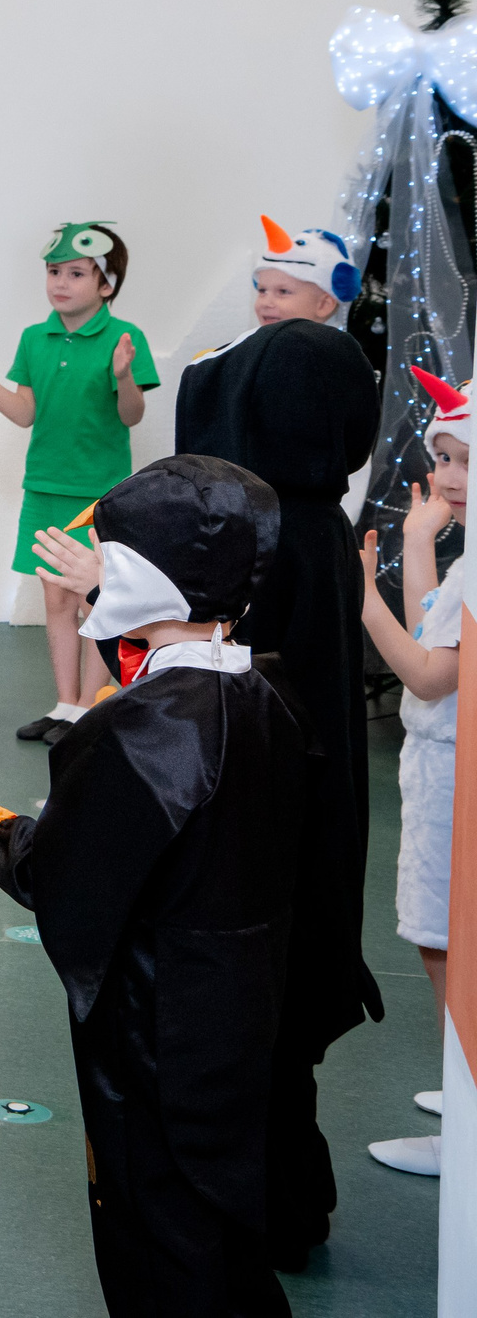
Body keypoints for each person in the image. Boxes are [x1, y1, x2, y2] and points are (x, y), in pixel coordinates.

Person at [0, 456, 308, 1317]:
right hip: (243, 1016)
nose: (96, 575)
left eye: (111, 560)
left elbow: (59, 871)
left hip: (156, 1033)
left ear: (151, 585)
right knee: (220, 1216)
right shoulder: (266, 692)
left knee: (157, 1234)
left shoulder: (141, 733)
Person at [171, 217, 380, 1267]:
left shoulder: (244, 540)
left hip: (249, 849)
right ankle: (285, 1196)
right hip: (314, 827)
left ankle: (250, 1201)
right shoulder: (320, 531)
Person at [0, 221, 157, 744]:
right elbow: (23, 413)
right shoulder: (35, 338)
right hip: (45, 488)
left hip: (99, 494)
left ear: (106, 284)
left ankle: (91, 710)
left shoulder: (126, 339)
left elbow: (131, 416)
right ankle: (65, 705)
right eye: (54, 271)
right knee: (54, 599)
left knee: (94, 600)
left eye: (76, 273)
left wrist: (123, 374)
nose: (60, 282)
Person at [356, 366, 469, 1178]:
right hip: (444, 762)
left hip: (455, 770)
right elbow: (436, 626)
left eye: (467, 460)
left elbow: (429, 675)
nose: (450, 477)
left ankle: (464, 1123)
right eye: (446, 458)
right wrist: (416, 543)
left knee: (446, 945)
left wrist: (360, 596)